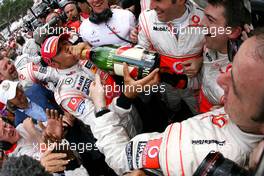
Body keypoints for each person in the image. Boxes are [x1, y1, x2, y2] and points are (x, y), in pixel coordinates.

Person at [87, 29, 264, 175]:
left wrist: (101, 109)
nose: (220, 80)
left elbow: (120, 158)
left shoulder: (191, 158)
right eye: (231, 67)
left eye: (235, 85)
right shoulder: (244, 113)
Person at [41, 34, 141, 137]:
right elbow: (96, 119)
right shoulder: (64, 92)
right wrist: (124, 99)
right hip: (116, 126)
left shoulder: (85, 55)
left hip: (130, 105)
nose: (66, 47)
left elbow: (121, 64)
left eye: (65, 42)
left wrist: (92, 50)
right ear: (54, 64)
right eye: (59, 50)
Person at [192, 0, 252, 113]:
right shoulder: (212, 40)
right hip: (200, 102)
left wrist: (227, 112)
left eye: (210, 19)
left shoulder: (245, 74)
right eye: (204, 16)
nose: (201, 23)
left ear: (233, 31)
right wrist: (200, 60)